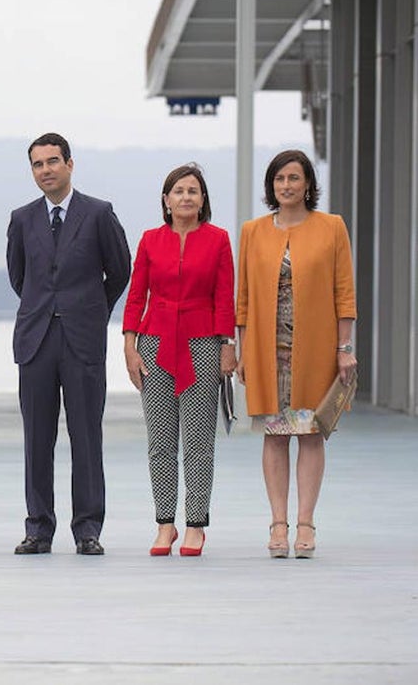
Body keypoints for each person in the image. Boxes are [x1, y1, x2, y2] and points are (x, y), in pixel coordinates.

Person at [6, 132, 131, 556]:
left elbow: (120, 270)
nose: (46, 170)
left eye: (53, 161)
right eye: (38, 164)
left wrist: (92, 309)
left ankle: (87, 529)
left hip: (83, 340)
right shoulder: (22, 219)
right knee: (37, 439)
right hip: (36, 341)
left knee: (86, 437)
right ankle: (38, 528)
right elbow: (19, 277)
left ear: (70, 164)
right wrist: (45, 308)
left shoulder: (98, 213)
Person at [236, 149, 356, 559]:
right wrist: (243, 351)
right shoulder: (253, 231)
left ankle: (306, 523)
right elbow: (244, 299)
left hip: (316, 348)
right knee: (275, 436)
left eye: (293, 178)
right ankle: (278, 524)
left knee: (310, 434)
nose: (286, 185)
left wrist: (344, 348)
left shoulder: (332, 227)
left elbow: (344, 293)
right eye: (279, 179)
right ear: (271, 186)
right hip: (267, 350)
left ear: (307, 184)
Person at [122, 164, 236, 558]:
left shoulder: (218, 240)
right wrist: (130, 346)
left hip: (202, 343)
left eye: (193, 191)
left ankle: (196, 524)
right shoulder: (150, 240)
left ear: (203, 200)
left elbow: (224, 297)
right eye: (179, 191)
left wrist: (227, 346)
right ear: (166, 200)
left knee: (199, 440)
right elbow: (136, 296)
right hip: (154, 344)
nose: (186, 196)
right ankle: (165, 523)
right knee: (160, 441)